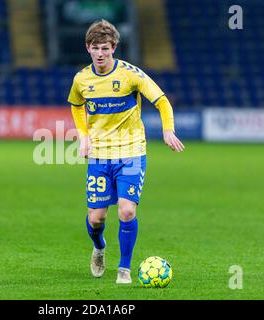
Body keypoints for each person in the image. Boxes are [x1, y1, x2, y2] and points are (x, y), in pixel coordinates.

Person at [68, 19, 184, 284]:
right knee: (96, 219)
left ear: (114, 47)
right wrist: (83, 136)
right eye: (95, 48)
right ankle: (99, 248)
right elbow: (76, 105)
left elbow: (162, 101)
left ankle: (124, 269)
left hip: (131, 152)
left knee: (127, 211)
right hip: (99, 155)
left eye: (105, 48)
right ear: (88, 48)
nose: (100, 53)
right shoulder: (82, 79)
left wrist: (168, 130)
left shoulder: (131, 75)